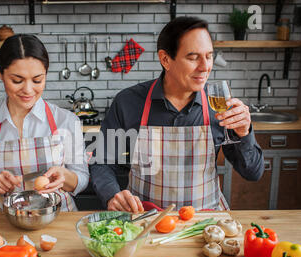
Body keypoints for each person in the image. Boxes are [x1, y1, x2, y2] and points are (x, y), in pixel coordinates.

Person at [90, 16, 264, 213]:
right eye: (193, 57)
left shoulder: (221, 107)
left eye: (208, 56)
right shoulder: (128, 102)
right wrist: (112, 195)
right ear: (165, 59)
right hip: (145, 220)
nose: (205, 66)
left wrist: (244, 133)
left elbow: (253, 173)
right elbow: (102, 161)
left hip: (205, 223)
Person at [0, 34, 89, 211]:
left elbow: (82, 178)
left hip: (59, 219)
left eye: (37, 80)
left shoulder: (67, 120)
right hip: (4, 222)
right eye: (17, 80)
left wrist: (66, 177)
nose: (28, 90)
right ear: (0, 72)